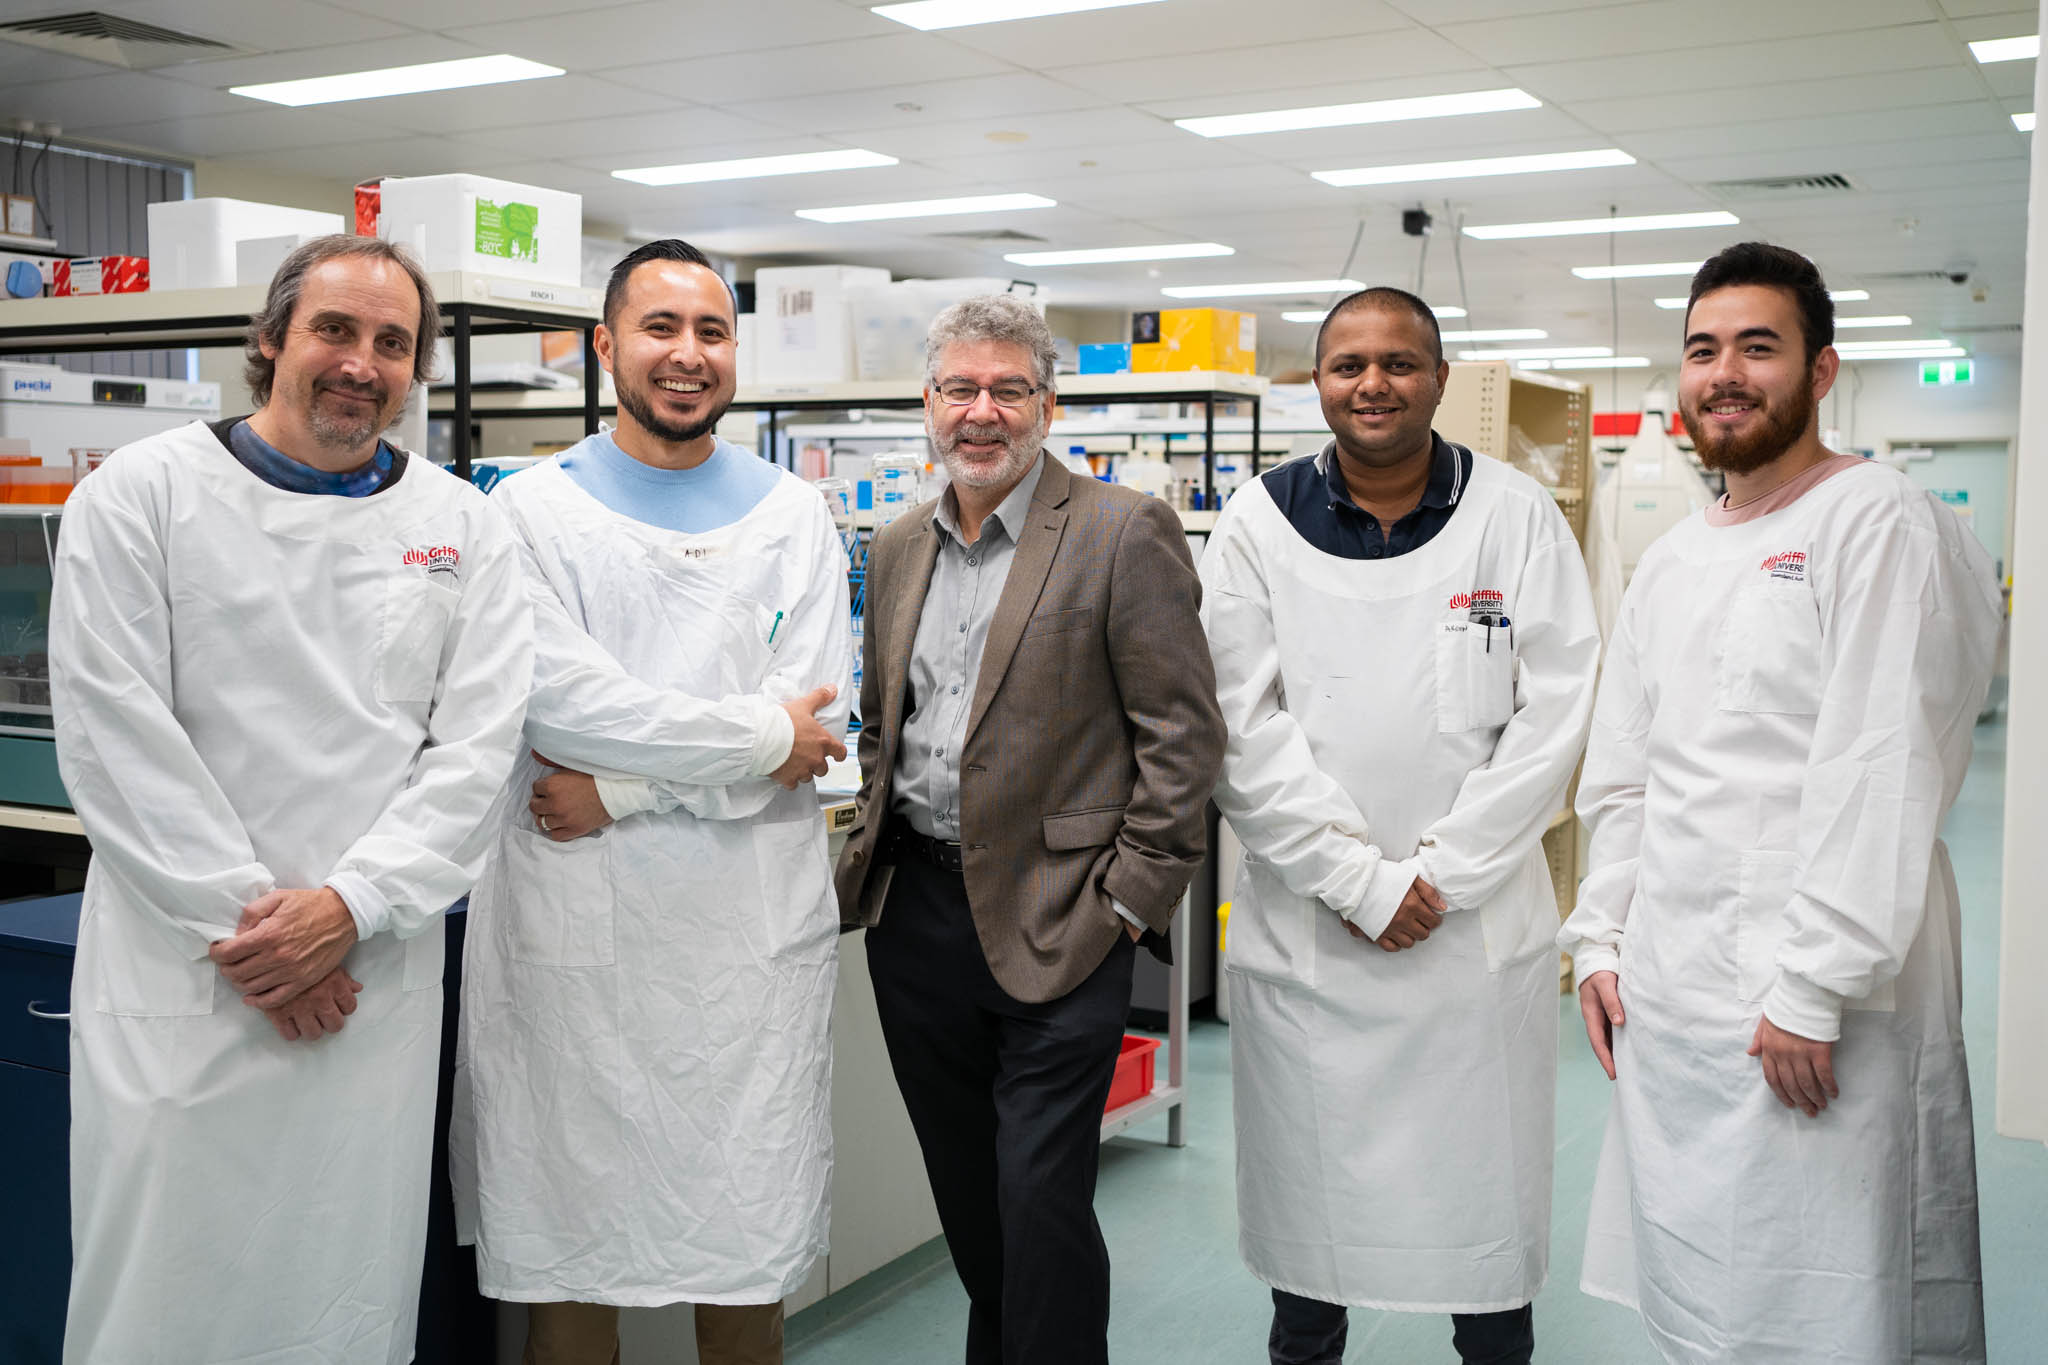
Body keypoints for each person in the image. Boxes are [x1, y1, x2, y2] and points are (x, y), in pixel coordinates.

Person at [50, 235, 534, 1364]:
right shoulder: (140, 496)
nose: (360, 363)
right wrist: (260, 936)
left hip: (367, 980)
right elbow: (116, 738)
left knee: (340, 1293)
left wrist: (348, 912)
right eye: (334, 329)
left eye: (391, 342)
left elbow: (474, 751)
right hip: (194, 974)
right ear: (270, 339)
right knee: (164, 1291)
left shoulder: (466, 527)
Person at [1559, 242, 2000, 1363]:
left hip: (1817, 999)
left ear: (1819, 372)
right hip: (1675, 990)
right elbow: (1625, 770)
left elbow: (1881, 767)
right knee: (1703, 1289)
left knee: (1831, 1296)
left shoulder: (1874, 521)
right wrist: (1599, 936)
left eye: (1757, 347)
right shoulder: (1671, 559)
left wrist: (1812, 985)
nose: (1723, 373)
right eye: (1701, 349)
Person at [455, 238, 850, 1365]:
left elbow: (821, 738)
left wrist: (623, 789)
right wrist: (756, 737)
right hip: (575, 940)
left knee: (746, 1250)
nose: (686, 355)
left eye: (711, 332)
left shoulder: (794, 517)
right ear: (605, 345)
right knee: (574, 1251)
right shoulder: (524, 513)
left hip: (744, 945)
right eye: (660, 328)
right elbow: (561, 704)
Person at [1202, 286, 1600, 1365]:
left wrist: (1445, 871)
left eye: (1398, 362)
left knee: (1484, 1235)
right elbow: (1238, 723)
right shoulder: (1253, 524)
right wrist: (1359, 883)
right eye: (1346, 364)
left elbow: (1557, 708)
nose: (1371, 384)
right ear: (1317, 382)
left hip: (1467, 943)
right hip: (1314, 939)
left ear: (1436, 376)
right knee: (1310, 1251)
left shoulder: (1512, 515)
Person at [832, 294, 1225, 1365]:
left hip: (1063, 922)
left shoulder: (1118, 529)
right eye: (959, 389)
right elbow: (883, 722)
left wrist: (1127, 903)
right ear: (927, 404)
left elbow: (1182, 739)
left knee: (1038, 1200)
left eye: (1008, 389)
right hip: (916, 920)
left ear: (1046, 406)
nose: (981, 412)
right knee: (972, 1204)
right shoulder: (898, 540)